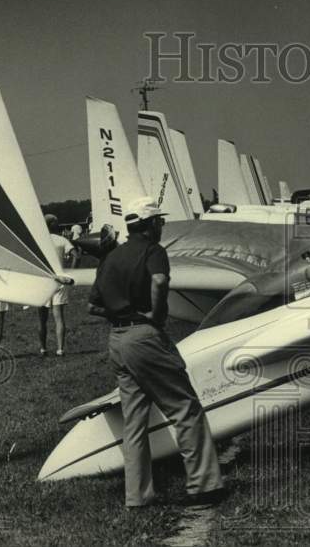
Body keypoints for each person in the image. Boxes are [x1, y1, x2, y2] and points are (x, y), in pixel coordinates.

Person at [88, 196, 224, 508]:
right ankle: (204, 486)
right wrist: (154, 313)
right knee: (185, 409)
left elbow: (92, 304)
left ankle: (137, 496)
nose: (162, 225)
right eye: (159, 221)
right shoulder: (153, 251)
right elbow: (160, 280)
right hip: (144, 336)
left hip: (118, 341)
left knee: (134, 423)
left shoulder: (111, 258)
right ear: (150, 226)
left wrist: (118, 312)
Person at [39, 214, 78, 357]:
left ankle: (43, 348)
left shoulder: (39, 241)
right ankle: (60, 349)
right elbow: (76, 255)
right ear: (53, 225)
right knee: (59, 317)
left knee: (42, 319)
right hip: (60, 279)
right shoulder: (62, 240)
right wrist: (71, 273)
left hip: (43, 280)